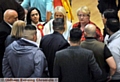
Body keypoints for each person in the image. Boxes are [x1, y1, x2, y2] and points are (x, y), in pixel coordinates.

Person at [0, 9, 18, 77]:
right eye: (15, 18)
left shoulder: (5, 27)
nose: (17, 20)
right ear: (8, 19)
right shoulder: (4, 31)